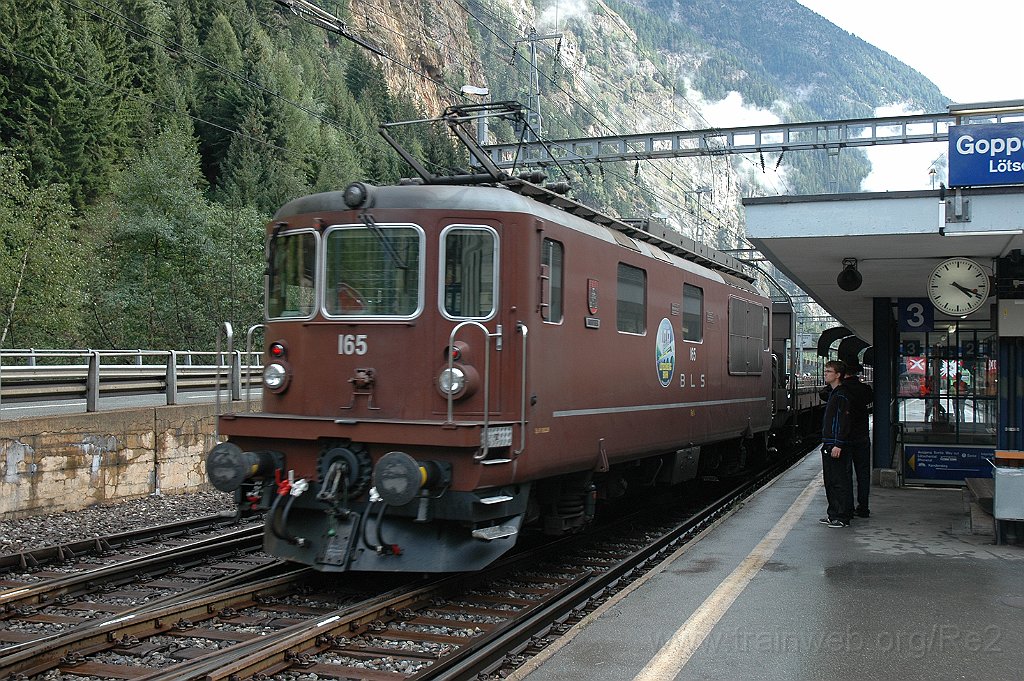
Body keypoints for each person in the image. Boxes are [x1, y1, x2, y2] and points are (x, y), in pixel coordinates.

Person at [819, 360, 855, 528]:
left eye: (828, 372)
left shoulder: (841, 395)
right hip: (830, 443)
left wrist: (838, 443)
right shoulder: (834, 393)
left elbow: (843, 421)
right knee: (831, 481)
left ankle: (842, 516)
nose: (825, 374)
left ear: (838, 375)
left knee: (839, 481)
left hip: (835, 444)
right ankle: (833, 513)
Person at [842, 364, 873, 518]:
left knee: (846, 474)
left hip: (846, 438)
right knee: (863, 474)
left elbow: (824, 393)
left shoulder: (842, 389)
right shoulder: (865, 389)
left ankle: (848, 508)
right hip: (862, 435)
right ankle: (864, 507)